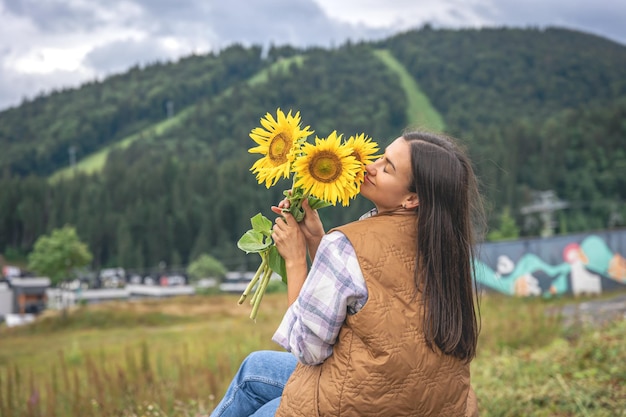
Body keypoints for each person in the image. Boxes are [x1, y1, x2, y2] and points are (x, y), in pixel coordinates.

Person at [210, 130, 484, 417]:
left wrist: (295, 261)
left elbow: (306, 350)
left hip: (358, 404)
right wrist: (317, 241)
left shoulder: (345, 245)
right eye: (380, 157)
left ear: (412, 198)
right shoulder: (447, 248)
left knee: (265, 408)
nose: (368, 166)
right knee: (255, 369)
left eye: (386, 168)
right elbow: (362, 307)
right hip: (427, 402)